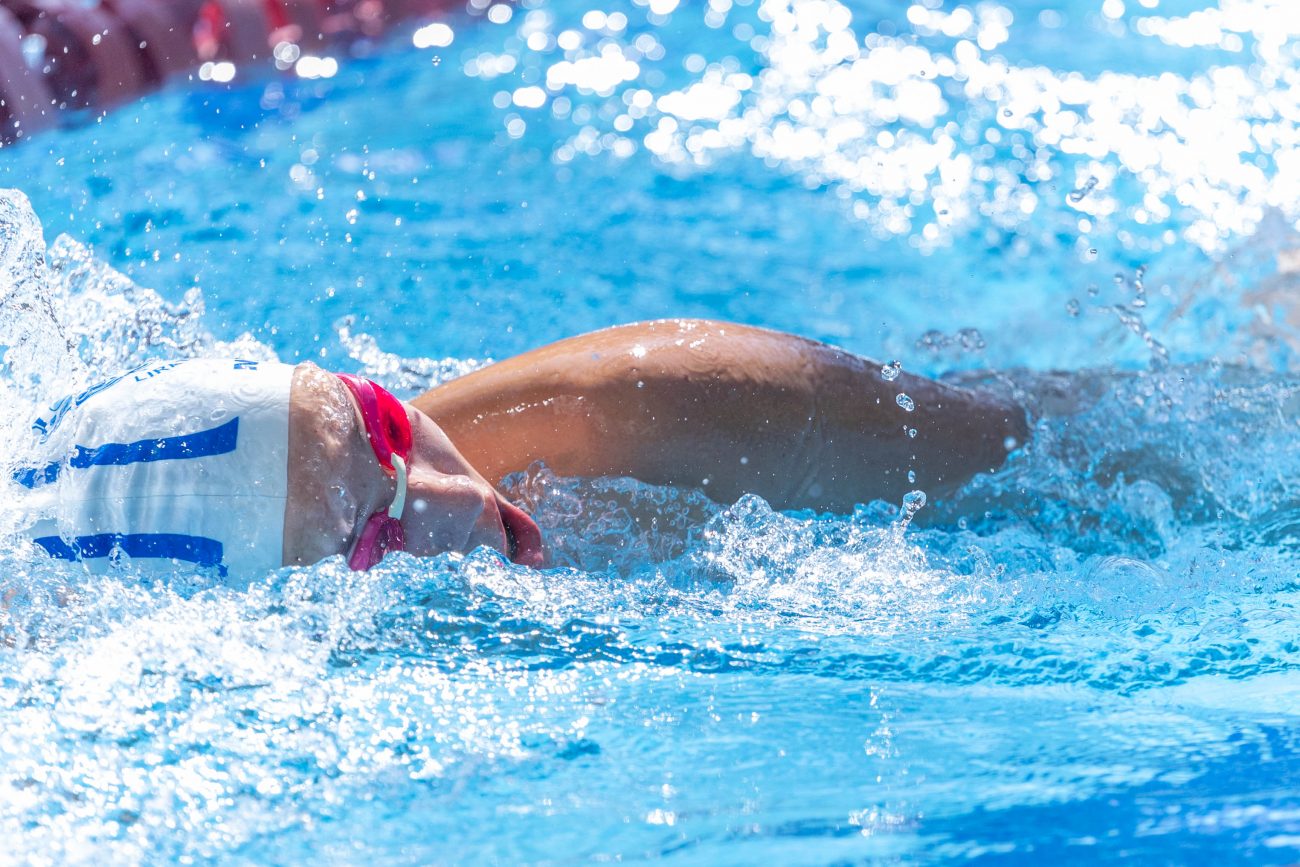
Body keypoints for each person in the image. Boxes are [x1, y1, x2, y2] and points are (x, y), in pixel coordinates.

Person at [14, 318, 1027, 577]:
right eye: (367, 535)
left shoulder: (641, 412)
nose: (444, 500)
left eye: (390, 430)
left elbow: (1076, 453)